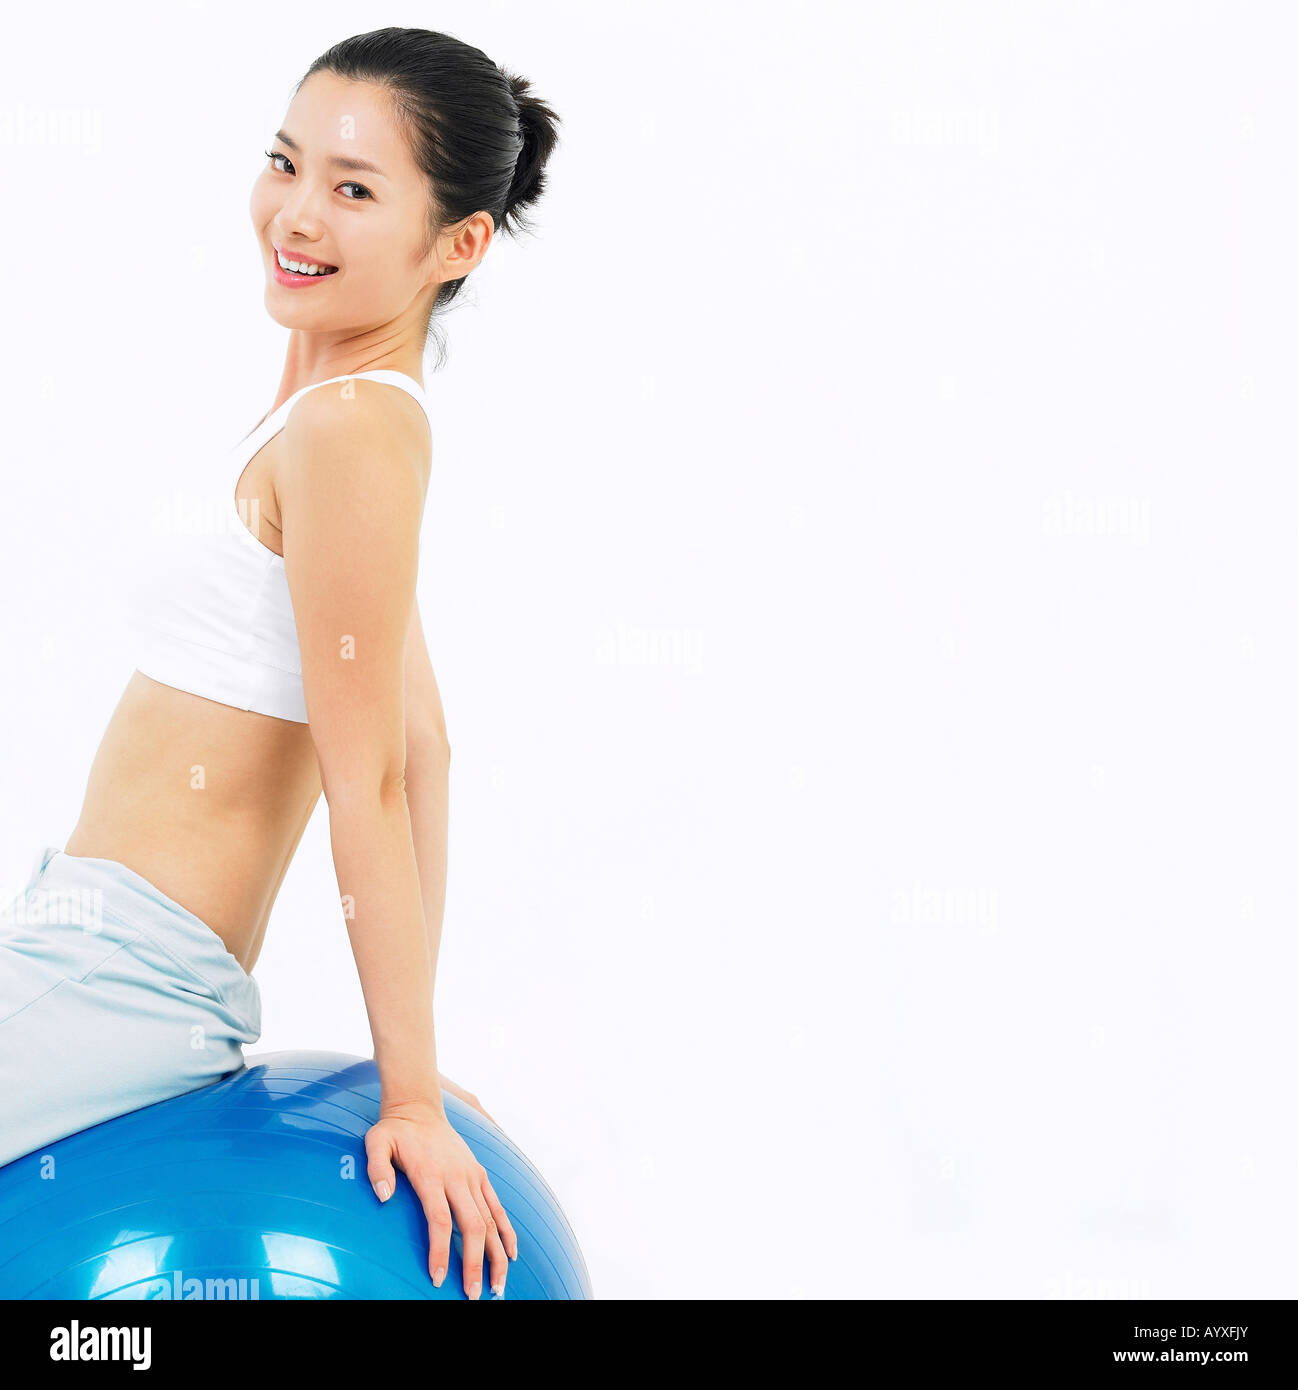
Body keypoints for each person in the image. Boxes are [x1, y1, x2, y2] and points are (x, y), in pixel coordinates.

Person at [0, 27, 560, 1302]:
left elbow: (374, 778)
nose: (297, 214)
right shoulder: (327, 422)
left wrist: (408, 1095)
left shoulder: (352, 431)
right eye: (285, 161)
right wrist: (408, 1062)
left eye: (354, 188)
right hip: (77, 942)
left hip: (122, 982)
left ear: (458, 243)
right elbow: (424, 744)